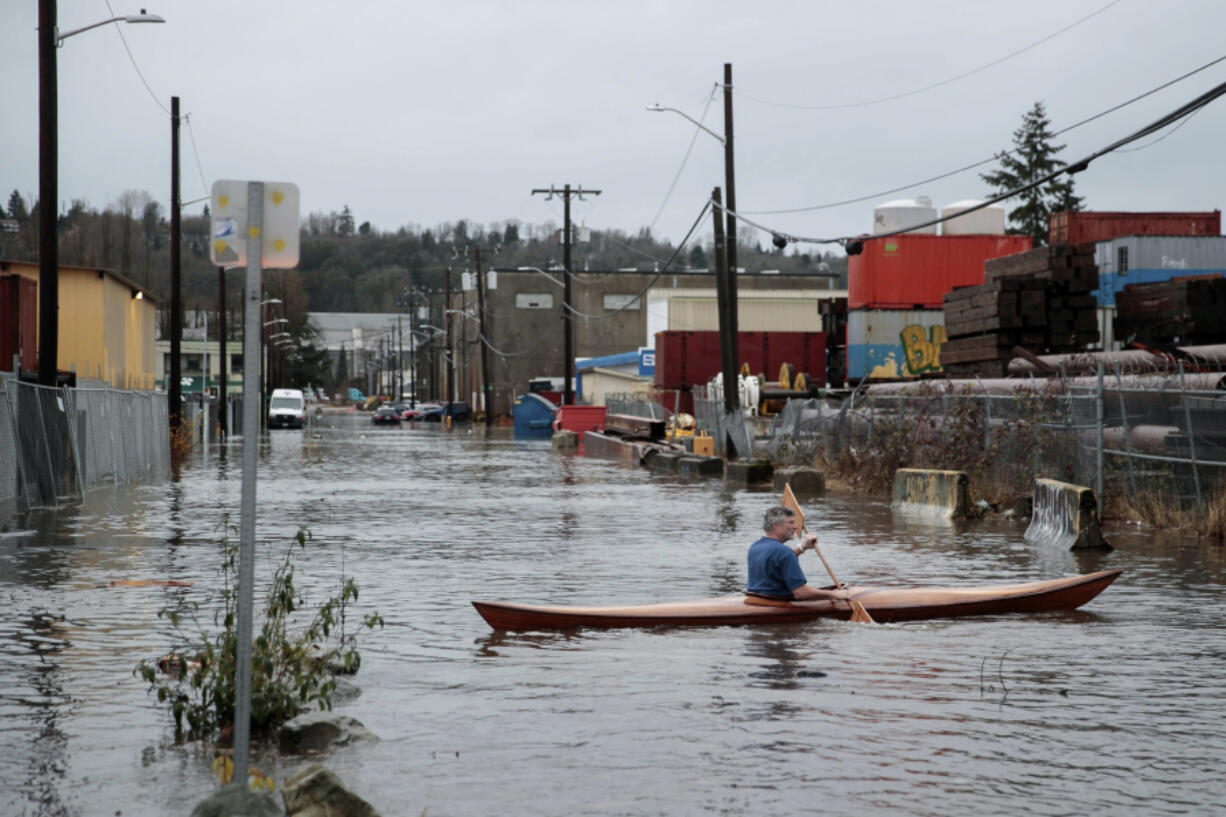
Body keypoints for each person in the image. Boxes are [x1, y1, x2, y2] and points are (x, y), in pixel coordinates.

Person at [746, 506, 850, 601]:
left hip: (757, 598)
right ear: (776, 525)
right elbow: (800, 593)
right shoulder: (784, 552)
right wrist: (835, 595)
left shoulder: (755, 547)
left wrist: (802, 547)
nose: (795, 527)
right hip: (778, 603)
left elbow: (778, 561)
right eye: (791, 522)